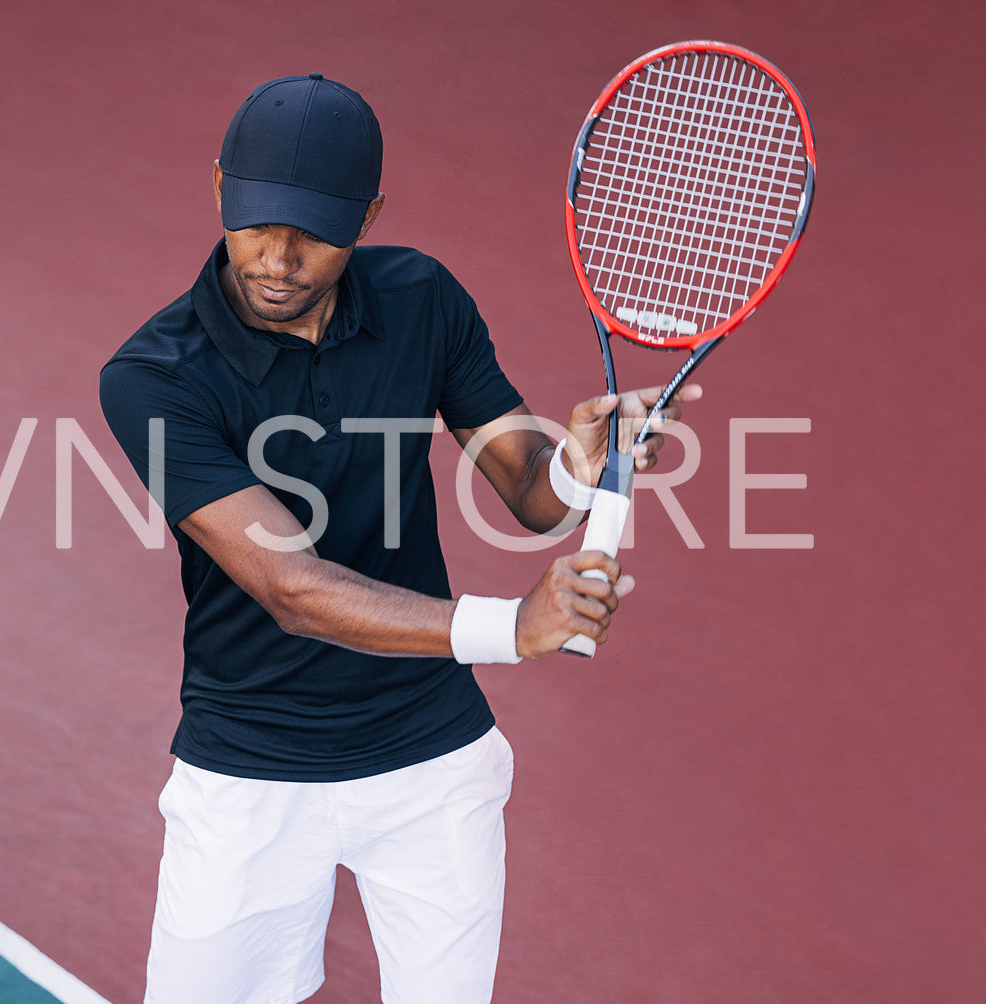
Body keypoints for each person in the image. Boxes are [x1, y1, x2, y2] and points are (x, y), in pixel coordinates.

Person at [99, 73, 698, 1004]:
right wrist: (513, 628)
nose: (280, 259)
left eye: (318, 232)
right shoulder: (154, 377)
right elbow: (288, 587)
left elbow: (532, 497)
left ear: (369, 216)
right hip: (249, 770)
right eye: (257, 222)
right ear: (219, 188)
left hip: (431, 759)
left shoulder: (421, 299)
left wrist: (583, 467)